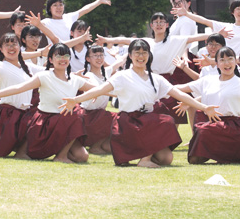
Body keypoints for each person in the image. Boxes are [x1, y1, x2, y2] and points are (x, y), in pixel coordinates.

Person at [60, 39, 217, 168]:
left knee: (166, 159)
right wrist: (76, 100)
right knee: (166, 120)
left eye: (144, 53)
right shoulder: (122, 76)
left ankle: (146, 154)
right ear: (130, 55)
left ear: (149, 55)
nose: (141, 56)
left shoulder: (156, 78)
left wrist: (204, 107)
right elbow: (99, 90)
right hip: (128, 124)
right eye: (137, 53)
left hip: (147, 123)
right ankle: (145, 160)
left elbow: (180, 95)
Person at [0, 43, 97, 163]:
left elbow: (101, 89)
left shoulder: (75, 79)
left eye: (66, 56)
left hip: (64, 124)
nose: (62, 59)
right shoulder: (43, 76)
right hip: (46, 125)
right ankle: (60, 156)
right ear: (51, 60)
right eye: (58, 56)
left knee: (82, 156)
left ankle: (61, 150)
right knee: (76, 114)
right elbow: (18, 88)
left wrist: (96, 93)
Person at [79, 45, 125, 155]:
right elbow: (97, 90)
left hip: (100, 114)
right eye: (95, 56)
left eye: (101, 55)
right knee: (115, 119)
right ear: (88, 59)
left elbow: (121, 61)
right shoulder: (88, 75)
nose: (99, 58)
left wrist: (116, 55)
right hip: (88, 116)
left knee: (116, 119)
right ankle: (95, 146)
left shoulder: (106, 72)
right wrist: (119, 94)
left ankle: (99, 146)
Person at [41, 0, 111, 42]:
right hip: (56, 56)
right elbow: (32, 29)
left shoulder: (69, 17)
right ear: (49, 9)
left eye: (61, 5)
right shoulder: (46, 22)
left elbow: (85, 9)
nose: (58, 8)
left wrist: (99, 1)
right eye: (55, 5)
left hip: (72, 55)